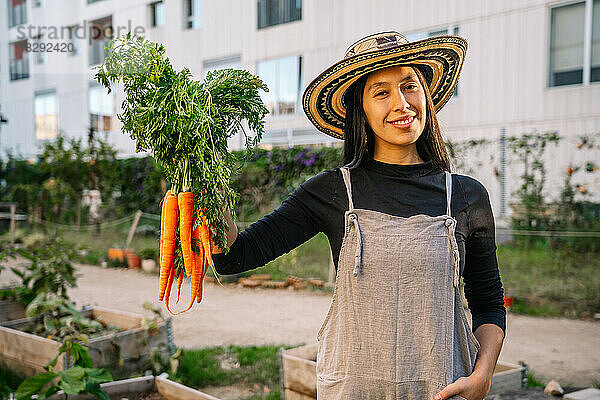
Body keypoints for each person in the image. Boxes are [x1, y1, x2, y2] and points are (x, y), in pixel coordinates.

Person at [213, 31, 506, 400]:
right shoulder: (333, 192)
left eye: (410, 86)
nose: (402, 103)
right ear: (361, 110)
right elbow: (236, 255)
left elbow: (488, 301)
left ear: (426, 96)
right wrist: (206, 186)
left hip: (442, 390)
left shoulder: (465, 196)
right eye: (381, 92)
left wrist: (483, 375)